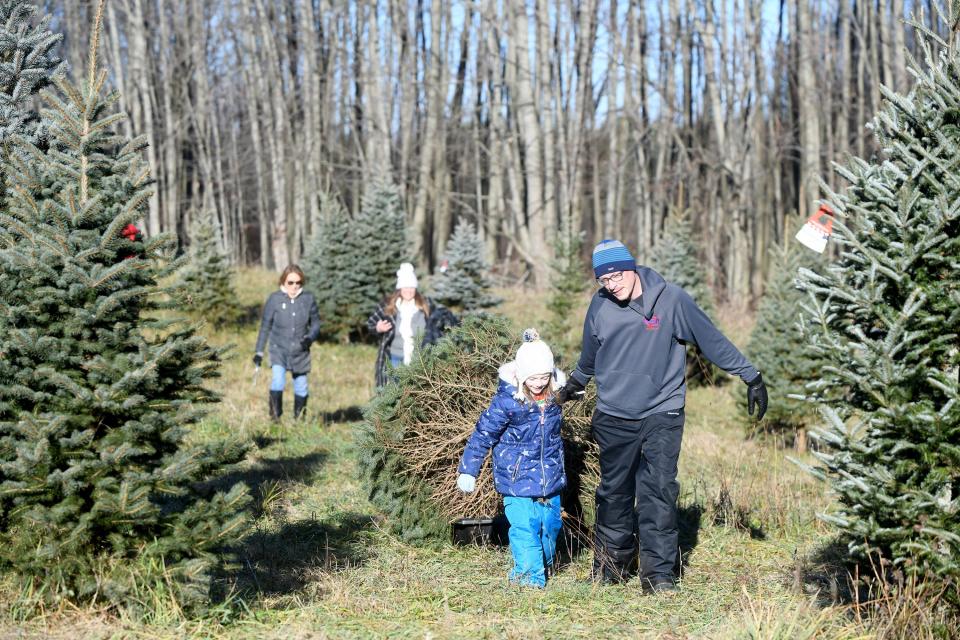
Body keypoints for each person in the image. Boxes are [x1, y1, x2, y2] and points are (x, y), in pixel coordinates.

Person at [556, 239, 768, 593]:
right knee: (614, 493)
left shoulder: (671, 300)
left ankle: (658, 574)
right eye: (604, 280)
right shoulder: (600, 305)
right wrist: (571, 387)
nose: (612, 284)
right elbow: (590, 357)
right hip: (613, 414)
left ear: (632, 267)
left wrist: (751, 375)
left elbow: (711, 339)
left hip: (662, 410)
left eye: (617, 275)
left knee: (657, 492)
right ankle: (612, 564)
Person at [456, 329, 567, 588]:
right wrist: (468, 469)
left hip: (550, 477)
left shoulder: (555, 397)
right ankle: (529, 579)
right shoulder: (507, 402)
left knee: (550, 526)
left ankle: (542, 563)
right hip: (516, 479)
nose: (539, 383)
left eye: (544, 377)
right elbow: (483, 434)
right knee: (525, 527)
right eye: (533, 378)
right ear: (520, 376)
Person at [366, 262, 457, 387]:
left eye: (412, 287)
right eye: (405, 287)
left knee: (416, 394)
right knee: (394, 394)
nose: (409, 291)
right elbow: (371, 323)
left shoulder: (426, 304)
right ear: (400, 288)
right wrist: (378, 327)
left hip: (419, 359)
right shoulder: (388, 305)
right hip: (394, 358)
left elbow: (438, 321)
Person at [253, 264, 321, 420]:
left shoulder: (308, 299)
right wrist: (259, 351)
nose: (294, 286)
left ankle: (299, 419)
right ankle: (275, 419)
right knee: (278, 381)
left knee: (302, 386)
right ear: (283, 282)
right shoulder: (274, 299)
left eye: (298, 283)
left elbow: (316, 324)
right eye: (290, 282)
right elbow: (265, 326)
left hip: (300, 350)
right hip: (278, 349)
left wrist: (310, 338)